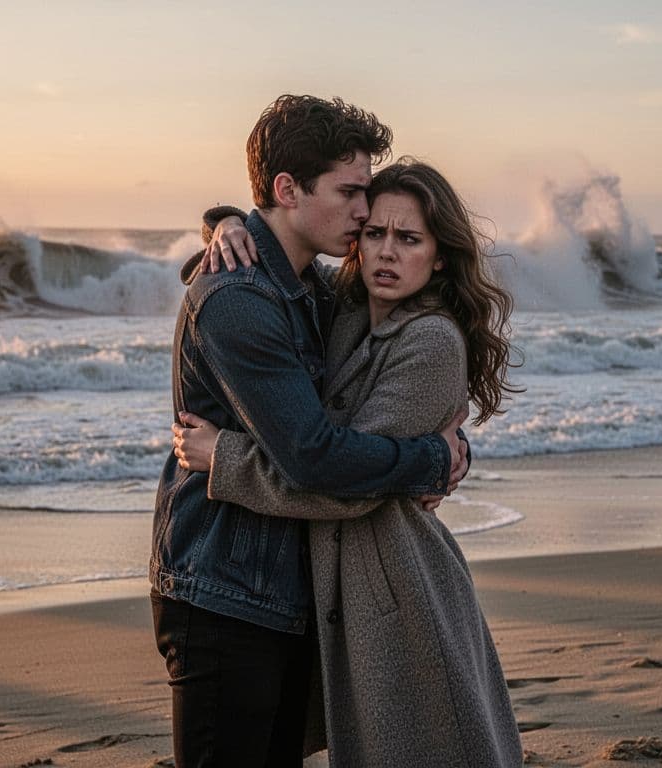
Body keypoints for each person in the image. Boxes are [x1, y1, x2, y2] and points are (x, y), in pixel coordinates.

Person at [151, 96, 470, 768]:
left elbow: (375, 393)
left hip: (286, 592)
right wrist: (430, 461)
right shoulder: (239, 299)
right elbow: (316, 457)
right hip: (224, 595)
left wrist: (225, 222)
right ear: (287, 189)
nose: (365, 212)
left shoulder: (317, 293)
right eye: (351, 193)